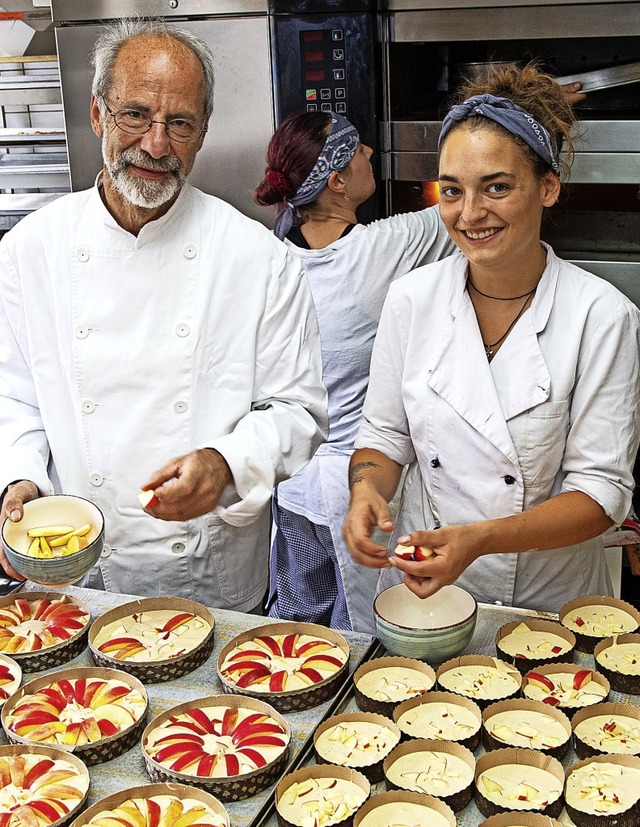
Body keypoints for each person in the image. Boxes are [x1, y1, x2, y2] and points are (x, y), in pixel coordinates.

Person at [0, 19, 327, 612]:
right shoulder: (29, 250)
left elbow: (298, 412)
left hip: (211, 574)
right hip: (76, 568)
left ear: (202, 134)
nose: (156, 144)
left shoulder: (258, 258)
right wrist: (20, 477)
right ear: (98, 116)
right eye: (135, 115)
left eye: (179, 124)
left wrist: (226, 463)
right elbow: (13, 397)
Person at [343, 63, 640, 613]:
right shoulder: (412, 299)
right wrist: (366, 491)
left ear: (548, 187)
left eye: (497, 187)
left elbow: (601, 494)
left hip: (543, 600)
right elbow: (384, 435)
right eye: (451, 191)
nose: (470, 213)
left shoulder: (601, 315)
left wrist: (479, 539)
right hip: (421, 588)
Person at [254, 111, 456, 633]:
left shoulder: (268, 257)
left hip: (291, 479)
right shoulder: (379, 250)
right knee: (361, 631)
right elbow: (467, 205)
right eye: (359, 148)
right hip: (358, 486)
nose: (371, 152)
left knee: (299, 624)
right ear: (337, 181)